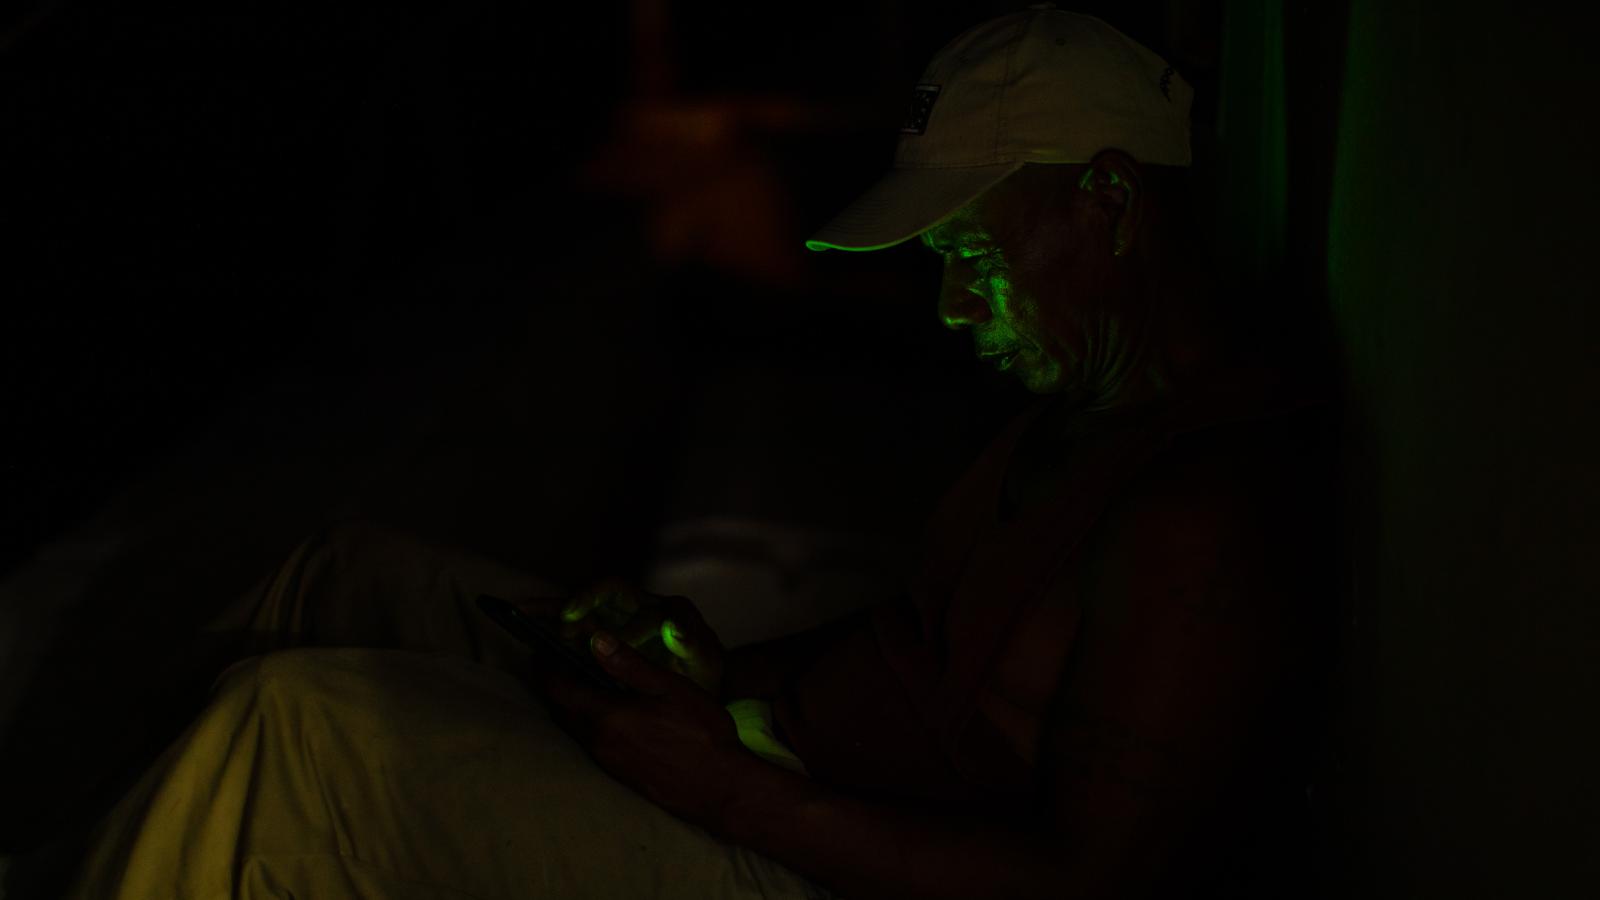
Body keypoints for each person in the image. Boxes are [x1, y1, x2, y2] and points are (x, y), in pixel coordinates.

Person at [61, 7, 1336, 899]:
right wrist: (714, 663)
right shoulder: (1081, 410)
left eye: (974, 255)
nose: (955, 308)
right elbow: (919, 656)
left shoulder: (1195, 518)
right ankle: (105, 851)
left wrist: (724, 787)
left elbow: (1085, 883)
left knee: (291, 731)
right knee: (341, 575)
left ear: (1107, 202)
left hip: (799, 864)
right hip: (771, 766)